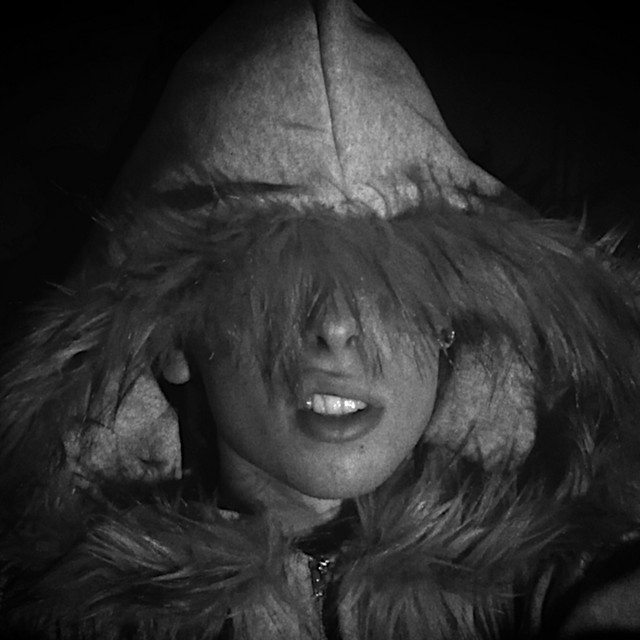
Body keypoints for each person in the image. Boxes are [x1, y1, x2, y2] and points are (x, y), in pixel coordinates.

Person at [2, 1, 640, 638]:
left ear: (447, 326)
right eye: (274, 286)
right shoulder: (67, 614)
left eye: (386, 283)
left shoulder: (566, 561)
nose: (335, 327)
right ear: (174, 337)